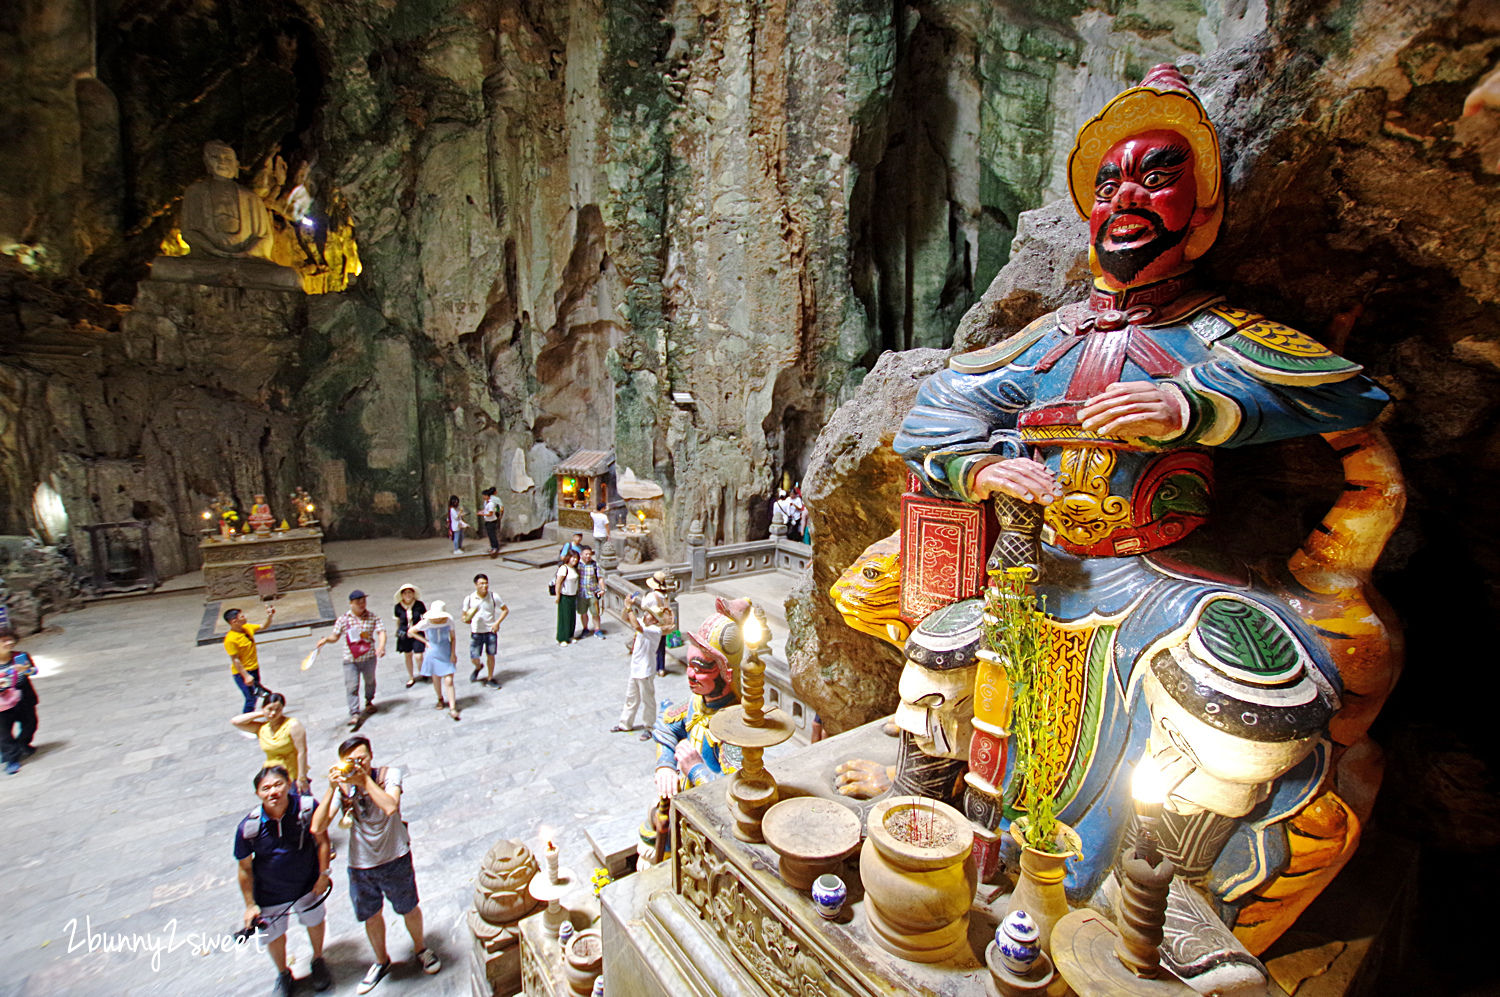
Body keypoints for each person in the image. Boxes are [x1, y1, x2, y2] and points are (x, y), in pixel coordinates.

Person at [888, 64, 1394, 974]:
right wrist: (982, 464)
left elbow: (1348, 391)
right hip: (1034, 572)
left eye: (1155, 176)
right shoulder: (1052, 338)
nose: (1126, 198)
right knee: (931, 665)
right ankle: (945, 829)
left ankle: (1163, 900)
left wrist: (1189, 404)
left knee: (1251, 707)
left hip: (1158, 584)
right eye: (1110, 182)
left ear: (1202, 210)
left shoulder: (1216, 331)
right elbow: (931, 414)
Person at [313, 736, 441, 992]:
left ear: (371, 756)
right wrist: (331, 788)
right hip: (361, 864)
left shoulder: (388, 774)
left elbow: (390, 806)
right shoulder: (344, 786)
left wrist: (364, 780)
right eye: (350, 761)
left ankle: (420, 948)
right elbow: (318, 826)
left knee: (409, 907)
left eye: (362, 758)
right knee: (371, 916)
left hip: (395, 856)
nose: (357, 764)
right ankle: (381, 960)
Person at [235, 765, 333, 996]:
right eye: (265, 788)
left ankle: (318, 960)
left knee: (315, 922)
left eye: (278, 785)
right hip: (270, 894)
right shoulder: (249, 827)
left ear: (288, 784)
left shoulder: (307, 808)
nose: (273, 792)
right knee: (274, 935)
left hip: (308, 885)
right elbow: (244, 868)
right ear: (258, 793)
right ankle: (283, 973)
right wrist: (250, 905)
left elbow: (323, 842)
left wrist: (323, 875)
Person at [315, 590, 387, 728]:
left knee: (370, 681)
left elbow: (381, 631)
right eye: (358, 602)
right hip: (351, 659)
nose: (362, 605)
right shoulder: (343, 619)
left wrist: (381, 646)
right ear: (351, 604)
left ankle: (369, 702)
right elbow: (335, 636)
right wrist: (325, 640)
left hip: (369, 656)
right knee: (352, 685)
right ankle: (354, 712)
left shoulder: (373, 617)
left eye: (363, 602)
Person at [612, 596, 669, 739]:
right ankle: (625, 723)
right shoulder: (645, 626)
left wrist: (630, 608)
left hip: (646, 670)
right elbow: (626, 618)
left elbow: (636, 626)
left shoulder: (655, 630)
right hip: (636, 668)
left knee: (647, 700)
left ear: (655, 620)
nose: (645, 615)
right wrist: (627, 607)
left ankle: (649, 726)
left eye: (649, 614)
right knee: (631, 697)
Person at [232, 693, 311, 795]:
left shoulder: (293, 725)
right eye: (270, 709)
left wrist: (302, 777)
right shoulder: (262, 728)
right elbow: (236, 722)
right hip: (272, 776)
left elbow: (302, 751)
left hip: (291, 776)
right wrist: (262, 713)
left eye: (278, 709)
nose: (273, 713)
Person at [408, 600, 460, 721]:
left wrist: (453, 653)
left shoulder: (449, 621)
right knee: (436, 679)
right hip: (433, 653)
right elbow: (411, 632)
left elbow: (453, 638)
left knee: (449, 680)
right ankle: (440, 698)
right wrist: (425, 641)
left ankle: (453, 707)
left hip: (445, 651)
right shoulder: (427, 622)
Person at [0, 627, 40, 775]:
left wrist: (25, 670)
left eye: (11, 639)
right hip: (2, 705)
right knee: (4, 733)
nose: (9, 643)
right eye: (4, 641)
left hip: (23, 699)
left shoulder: (20, 656)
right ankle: (11, 758)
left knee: (30, 724)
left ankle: (23, 743)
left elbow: (33, 671)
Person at [225, 603, 277, 712]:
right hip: (243, 673)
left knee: (260, 694)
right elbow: (235, 659)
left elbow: (263, 626)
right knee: (251, 698)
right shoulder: (230, 639)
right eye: (242, 616)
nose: (245, 617)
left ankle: (268, 713)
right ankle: (246, 721)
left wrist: (269, 616)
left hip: (254, 669)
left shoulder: (247, 627)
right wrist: (246, 676)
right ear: (234, 621)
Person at [461, 574, 508, 686]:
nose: (484, 586)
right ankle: (478, 666)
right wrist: (467, 619)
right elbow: (464, 616)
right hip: (476, 631)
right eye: (481, 583)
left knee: (491, 655)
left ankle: (490, 678)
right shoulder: (469, 598)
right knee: (474, 657)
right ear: (476, 585)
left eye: (486, 583)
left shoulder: (493, 596)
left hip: (490, 631)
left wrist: (497, 623)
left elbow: (505, 610)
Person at [392, 583, 426, 688]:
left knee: (418, 655)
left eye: (410, 592)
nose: (408, 595)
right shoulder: (398, 607)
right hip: (404, 633)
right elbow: (398, 620)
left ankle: (423, 671)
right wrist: (397, 631)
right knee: (408, 655)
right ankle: (411, 677)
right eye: (405, 593)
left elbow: (424, 617)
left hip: (417, 631)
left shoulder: (419, 604)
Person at [643, 571, 672, 677]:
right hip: (663, 623)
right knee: (661, 647)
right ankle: (661, 668)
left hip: (653, 623)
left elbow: (644, 606)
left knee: (651, 646)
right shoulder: (665, 596)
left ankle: (653, 666)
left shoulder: (651, 596)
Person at [577, 545, 606, 638]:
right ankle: (585, 628)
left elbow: (600, 578)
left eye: (589, 554)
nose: (588, 556)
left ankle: (597, 629)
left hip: (593, 593)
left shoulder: (594, 565)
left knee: (595, 613)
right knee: (583, 612)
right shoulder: (577, 565)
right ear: (581, 555)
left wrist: (602, 589)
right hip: (581, 593)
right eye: (586, 554)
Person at [554, 551, 581, 645]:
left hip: (573, 595)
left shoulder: (574, 569)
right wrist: (558, 595)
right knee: (564, 617)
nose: (575, 560)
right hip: (565, 596)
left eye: (576, 558)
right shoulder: (563, 568)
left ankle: (570, 635)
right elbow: (558, 582)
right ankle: (562, 638)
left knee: (571, 617)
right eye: (573, 557)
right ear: (568, 558)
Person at [480, 487, 504, 556]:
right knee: (491, 534)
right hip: (489, 518)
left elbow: (492, 511)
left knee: (492, 534)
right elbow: (501, 508)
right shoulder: (488, 501)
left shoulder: (492, 502)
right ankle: (493, 546)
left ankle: (495, 547)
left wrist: (483, 513)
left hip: (492, 518)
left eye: (484, 496)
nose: (483, 497)